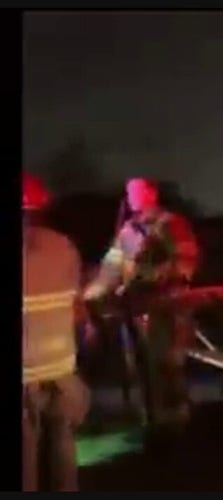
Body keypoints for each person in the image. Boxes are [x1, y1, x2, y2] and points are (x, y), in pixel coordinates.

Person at [84, 178, 200, 433]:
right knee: (140, 366)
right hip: (135, 310)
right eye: (129, 192)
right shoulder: (128, 230)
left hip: (167, 310)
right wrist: (93, 291)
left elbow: (185, 263)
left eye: (137, 190)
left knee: (168, 366)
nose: (132, 196)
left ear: (152, 193)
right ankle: (152, 422)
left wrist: (148, 278)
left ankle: (178, 425)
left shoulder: (172, 224)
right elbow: (111, 267)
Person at [22, 172, 91, 491]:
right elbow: (77, 307)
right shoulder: (64, 247)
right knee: (62, 458)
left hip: (25, 379)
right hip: (63, 374)